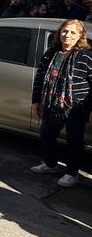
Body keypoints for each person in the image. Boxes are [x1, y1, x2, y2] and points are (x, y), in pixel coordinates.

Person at [30, 19, 92, 188]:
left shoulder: (86, 56)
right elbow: (40, 78)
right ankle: (51, 165)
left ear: (80, 36)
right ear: (59, 33)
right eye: (65, 31)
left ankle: (72, 173)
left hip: (76, 106)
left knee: (74, 140)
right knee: (46, 136)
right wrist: (36, 101)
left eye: (73, 32)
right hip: (52, 103)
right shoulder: (51, 53)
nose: (68, 35)